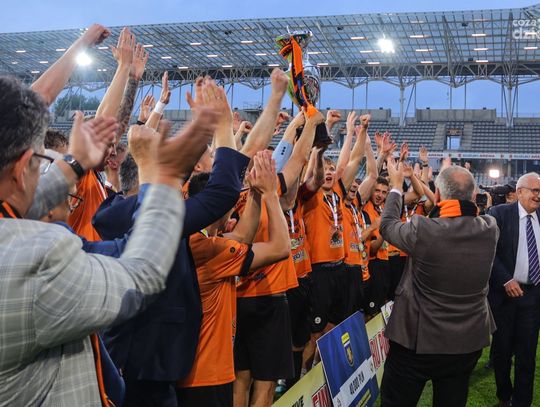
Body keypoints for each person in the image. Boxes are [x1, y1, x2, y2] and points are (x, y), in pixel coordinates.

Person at [0, 74, 218, 405]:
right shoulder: (36, 261)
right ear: (20, 170)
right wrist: (161, 178)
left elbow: (13, 203)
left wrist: (72, 165)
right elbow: (141, 275)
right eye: (39, 163)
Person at [379, 162, 499, 407]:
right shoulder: (490, 228)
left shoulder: (423, 230)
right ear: (474, 196)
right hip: (466, 340)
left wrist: (396, 187)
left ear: (438, 195)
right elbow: (460, 214)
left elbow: (388, 225)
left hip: (417, 340)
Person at [177, 152, 291, 407]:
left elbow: (241, 237)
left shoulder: (194, 240)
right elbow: (281, 247)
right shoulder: (210, 250)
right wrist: (270, 193)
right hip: (207, 375)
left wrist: (255, 194)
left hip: (192, 370)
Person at [488, 172, 540, 407]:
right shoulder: (499, 214)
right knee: (502, 351)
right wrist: (506, 279)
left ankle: (522, 402)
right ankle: (504, 396)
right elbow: (490, 252)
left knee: (527, 354)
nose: (538, 196)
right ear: (519, 192)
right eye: (534, 191)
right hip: (504, 296)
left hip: (533, 296)